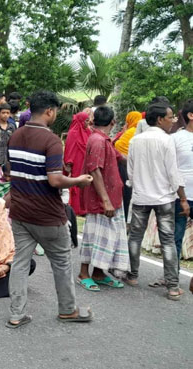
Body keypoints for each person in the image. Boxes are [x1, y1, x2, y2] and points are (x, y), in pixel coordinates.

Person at [6, 90, 94, 328]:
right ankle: (67, 310)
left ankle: (17, 313)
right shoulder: (52, 140)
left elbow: (10, 172)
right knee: (62, 261)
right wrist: (78, 180)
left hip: (20, 212)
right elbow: (55, 180)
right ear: (49, 111)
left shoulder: (15, 135)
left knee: (20, 263)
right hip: (47, 214)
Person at [125, 103, 188, 300]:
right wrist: (183, 198)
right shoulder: (166, 141)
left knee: (135, 237)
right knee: (168, 241)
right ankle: (172, 287)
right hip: (164, 198)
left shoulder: (136, 140)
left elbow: (131, 172)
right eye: (170, 117)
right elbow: (173, 173)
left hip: (141, 197)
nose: (173, 121)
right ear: (160, 119)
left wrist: (138, 187)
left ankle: (133, 275)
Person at [77, 106, 128, 291]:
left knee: (107, 238)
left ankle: (98, 273)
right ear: (113, 122)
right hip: (100, 199)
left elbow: (120, 158)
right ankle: (84, 273)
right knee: (94, 235)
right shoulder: (98, 140)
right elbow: (94, 170)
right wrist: (105, 200)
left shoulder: (105, 140)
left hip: (112, 197)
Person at [172, 100, 193, 260]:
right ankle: (172, 279)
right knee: (176, 239)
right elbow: (172, 169)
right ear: (190, 115)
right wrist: (183, 198)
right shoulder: (176, 138)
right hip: (181, 197)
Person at [64, 111, 93, 216]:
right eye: (86, 120)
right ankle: (76, 208)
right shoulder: (73, 133)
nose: (88, 122)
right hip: (77, 161)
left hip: (85, 161)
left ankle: (84, 207)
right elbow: (69, 148)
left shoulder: (88, 132)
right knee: (77, 182)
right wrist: (69, 162)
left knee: (86, 182)